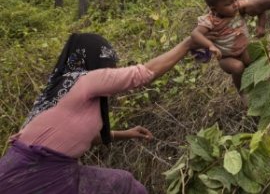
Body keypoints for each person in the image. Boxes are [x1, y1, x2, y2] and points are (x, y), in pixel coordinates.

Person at [0, 33, 197, 193]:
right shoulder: (86, 79)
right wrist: (188, 43)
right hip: (35, 175)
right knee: (125, 186)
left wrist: (126, 134)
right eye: (105, 58)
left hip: (23, 172)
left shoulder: (59, 88)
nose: (110, 66)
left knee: (121, 183)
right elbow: (142, 74)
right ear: (92, 57)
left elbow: (70, 139)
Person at [190, 0, 266, 93]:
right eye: (229, 4)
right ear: (214, 9)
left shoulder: (239, 7)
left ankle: (259, 86)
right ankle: (242, 92)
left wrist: (261, 26)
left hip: (244, 49)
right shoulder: (210, 21)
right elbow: (195, 34)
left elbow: (260, 7)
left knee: (253, 60)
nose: (235, 4)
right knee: (238, 67)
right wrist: (210, 45)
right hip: (227, 58)